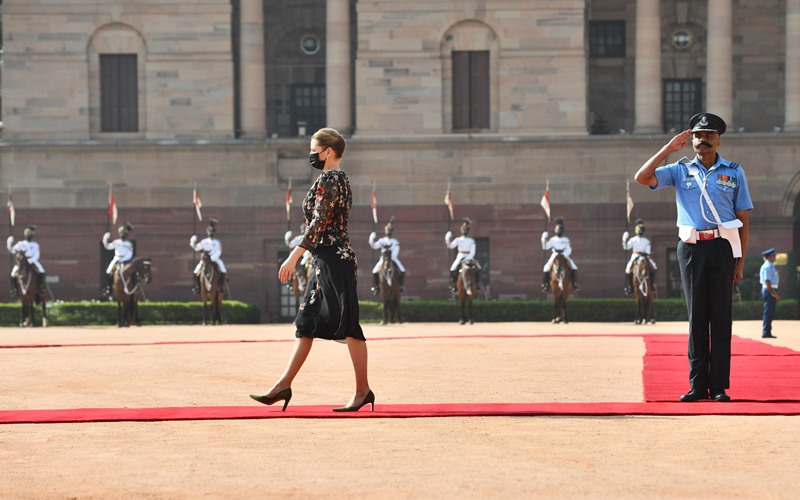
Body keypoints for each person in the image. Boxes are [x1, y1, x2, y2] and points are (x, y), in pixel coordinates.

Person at [250, 127, 373, 412]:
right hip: (324, 260)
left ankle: (362, 391)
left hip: (334, 260)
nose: (311, 154)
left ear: (328, 151)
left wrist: (293, 257)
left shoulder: (331, 178)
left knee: (349, 326)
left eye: (314, 149)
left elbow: (318, 224)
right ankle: (282, 386)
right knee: (306, 324)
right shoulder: (335, 179)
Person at [635, 112, 752, 403]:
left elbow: (743, 219)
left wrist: (741, 261)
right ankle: (698, 385)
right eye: (698, 136)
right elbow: (642, 178)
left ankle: (719, 386)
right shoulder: (679, 169)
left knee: (721, 318)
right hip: (691, 249)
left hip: (723, 247)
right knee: (696, 317)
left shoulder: (735, 172)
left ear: (718, 140)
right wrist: (667, 149)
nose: (703, 141)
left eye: (709, 136)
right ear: (692, 141)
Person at [7, 225, 46, 300]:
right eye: (27, 234)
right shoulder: (20, 244)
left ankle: (40, 287)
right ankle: (15, 290)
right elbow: (12, 250)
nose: (29, 235)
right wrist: (9, 242)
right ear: (25, 235)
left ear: (32, 235)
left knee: (41, 270)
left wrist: (30, 261)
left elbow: (37, 255)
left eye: (30, 234)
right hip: (21, 263)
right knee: (13, 274)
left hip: (32, 261)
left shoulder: (35, 245)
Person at [190, 218, 227, 294]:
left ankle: (221, 286)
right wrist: (192, 241)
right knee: (196, 271)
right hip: (205, 260)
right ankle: (198, 287)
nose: (211, 234)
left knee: (223, 269)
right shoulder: (204, 241)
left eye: (212, 232)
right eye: (210, 232)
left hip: (214, 259)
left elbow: (218, 251)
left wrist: (212, 258)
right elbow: (196, 248)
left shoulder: (217, 242)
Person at [541, 217, 579, 292]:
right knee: (546, 268)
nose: (559, 231)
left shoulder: (566, 240)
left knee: (574, 267)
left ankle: (574, 284)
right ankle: (546, 285)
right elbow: (545, 247)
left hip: (564, 255)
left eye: (560, 230)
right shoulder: (553, 239)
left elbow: (569, 249)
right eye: (557, 230)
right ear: (555, 230)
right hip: (555, 255)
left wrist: (565, 254)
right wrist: (544, 237)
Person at [369, 219, 406, 295]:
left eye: (390, 231)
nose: (388, 233)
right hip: (383, 260)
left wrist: (391, 257)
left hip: (393, 259)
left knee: (402, 270)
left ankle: (401, 286)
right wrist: (372, 238)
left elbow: (396, 251)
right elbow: (374, 246)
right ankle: (376, 287)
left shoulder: (395, 241)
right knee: (374, 271)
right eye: (387, 231)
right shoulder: (382, 240)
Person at [622, 218, 658, 294]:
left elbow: (647, 251)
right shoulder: (632, 239)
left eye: (641, 230)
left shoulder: (646, 241)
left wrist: (645, 254)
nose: (639, 231)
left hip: (644, 256)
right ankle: (630, 287)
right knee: (628, 269)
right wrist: (624, 239)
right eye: (638, 230)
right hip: (635, 256)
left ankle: (652, 285)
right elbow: (626, 247)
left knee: (654, 267)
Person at [445, 218, 481, 291]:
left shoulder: (471, 241)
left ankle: (477, 284)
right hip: (460, 256)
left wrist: (466, 258)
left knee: (478, 268)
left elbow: (473, 252)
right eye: (464, 230)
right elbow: (450, 246)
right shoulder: (458, 239)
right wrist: (447, 238)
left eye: (466, 230)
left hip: (469, 257)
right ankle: (453, 284)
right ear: (462, 231)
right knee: (453, 268)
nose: (465, 231)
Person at [102, 223, 135, 297]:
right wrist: (105, 238)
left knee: (134, 271)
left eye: (124, 234)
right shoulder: (116, 242)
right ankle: (108, 288)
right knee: (108, 270)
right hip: (117, 259)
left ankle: (135, 287)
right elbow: (107, 247)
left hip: (126, 260)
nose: (122, 236)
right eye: (121, 234)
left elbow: (130, 253)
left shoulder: (129, 244)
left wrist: (124, 259)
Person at [759, 248, 780, 339]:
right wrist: (773, 293)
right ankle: (766, 332)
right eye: (773, 255)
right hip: (769, 290)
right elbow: (767, 281)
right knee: (768, 312)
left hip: (770, 290)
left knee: (770, 312)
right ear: (769, 257)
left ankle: (767, 331)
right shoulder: (767, 266)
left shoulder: (771, 265)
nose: (775, 257)